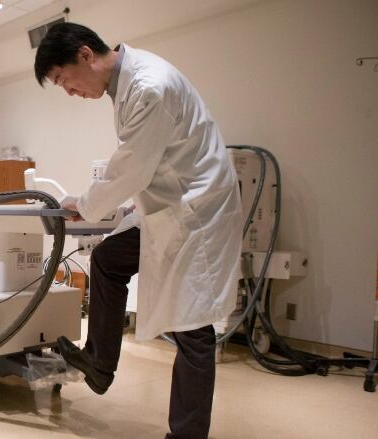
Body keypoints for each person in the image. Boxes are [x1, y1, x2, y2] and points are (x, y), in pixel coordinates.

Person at [34, 23, 243, 439]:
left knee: (192, 329)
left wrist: (85, 203)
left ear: (85, 55)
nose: (69, 92)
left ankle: (185, 434)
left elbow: (132, 164)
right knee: (108, 259)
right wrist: (119, 203)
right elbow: (149, 159)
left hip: (196, 215)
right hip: (170, 208)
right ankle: (99, 361)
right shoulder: (126, 84)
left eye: (63, 80)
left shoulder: (147, 85)